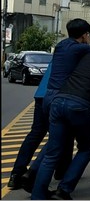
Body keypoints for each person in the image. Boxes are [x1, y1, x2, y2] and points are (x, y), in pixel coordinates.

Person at [18, 18, 90, 193]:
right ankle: (40, 177)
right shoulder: (79, 48)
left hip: (49, 96)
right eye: (89, 35)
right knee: (64, 144)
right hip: (65, 96)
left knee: (54, 142)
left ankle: (33, 177)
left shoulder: (62, 45)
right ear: (85, 35)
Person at [31, 47, 90, 200]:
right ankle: (64, 190)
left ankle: (38, 195)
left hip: (59, 101)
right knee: (86, 149)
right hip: (81, 107)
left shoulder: (89, 57)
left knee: (52, 153)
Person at [7, 62, 71, 190]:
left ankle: (16, 174)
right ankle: (60, 171)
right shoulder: (78, 52)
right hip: (57, 96)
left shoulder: (61, 53)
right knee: (63, 134)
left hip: (42, 94)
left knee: (36, 133)